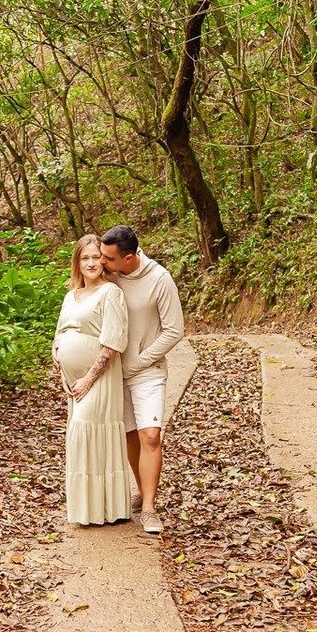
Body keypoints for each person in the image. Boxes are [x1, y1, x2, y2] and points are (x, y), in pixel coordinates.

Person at [98, 225, 184, 535]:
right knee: (130, 435)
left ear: (130, 257)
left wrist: (140, 360)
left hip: (147, 370)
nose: (101, 261)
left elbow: (174, 330)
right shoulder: (107, 276)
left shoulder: (159, 279)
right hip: (113, 370)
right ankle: (140, 489)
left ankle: (149, 507)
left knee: (151, 435)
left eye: (108, 257)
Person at [53, 234, 131, 525]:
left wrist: (87, 378)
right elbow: (60, 334)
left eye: (96, 256)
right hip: (74, 379)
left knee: (87, 431)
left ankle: (108, 508)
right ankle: (87, 511)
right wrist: (61, 365)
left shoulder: (111, 293)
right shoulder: (70, 296)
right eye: (85, 257)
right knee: (79, 437)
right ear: (77, 262)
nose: (91, 263)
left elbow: (113, 342)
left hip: (99, 377)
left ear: (105, 260)